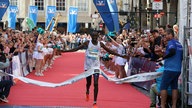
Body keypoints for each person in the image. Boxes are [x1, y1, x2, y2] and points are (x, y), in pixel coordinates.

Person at [62, 31, 127, 108]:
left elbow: (110, 51)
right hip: (88, 66)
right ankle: (87, 91)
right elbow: (76, 49)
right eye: (94, 36)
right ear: (91, 36)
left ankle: (95, 102)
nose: (95, 38)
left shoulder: (100, 44)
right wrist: (65, 51)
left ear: (98, 36)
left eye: (96, 36)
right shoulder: (87, 43)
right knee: (88, 83)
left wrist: (121, 55)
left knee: (96, 83)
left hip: (96, 66)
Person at [157, 28, 183, 108]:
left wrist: (163, 58)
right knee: (174, 87)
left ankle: (162, 105)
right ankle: (174, 105)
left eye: (166, 35)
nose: (165, 37)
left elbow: (172, 51)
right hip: (177, 68)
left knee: (163, 86)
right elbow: (180, 56)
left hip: (170, 69)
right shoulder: (179, 44)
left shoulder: (171, 42)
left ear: (170, 34)